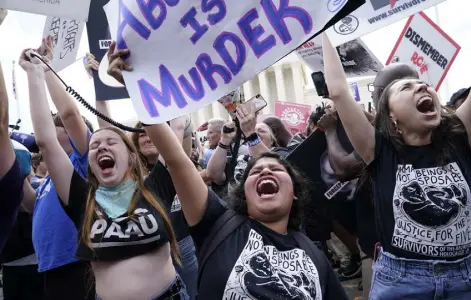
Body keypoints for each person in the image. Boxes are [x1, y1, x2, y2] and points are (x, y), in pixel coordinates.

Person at [20, 47, 189, 299]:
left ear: (131, 156)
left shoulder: (155, 188)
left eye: (112, 142)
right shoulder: (82, 198)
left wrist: (132, 81)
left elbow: (176, 126)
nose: (101, 146)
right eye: (95, 145)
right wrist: (35, 73)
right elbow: (46, 142)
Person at [323, 32, 471, 299]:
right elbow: (338, 91)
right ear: (391, 116)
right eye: (406, 87)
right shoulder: (379, 151)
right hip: (402, 284)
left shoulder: (459, 140)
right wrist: (323, 24)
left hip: (464, 280)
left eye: (424, 84)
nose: (422, 88)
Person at [21, 37, 96, 300]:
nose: (50, 131)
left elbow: (70, 114)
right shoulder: (53, 179)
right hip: (50, 268)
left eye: (57, 128)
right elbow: (32, 207)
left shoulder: (83, 162)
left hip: (77, 266)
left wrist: (44, 69)